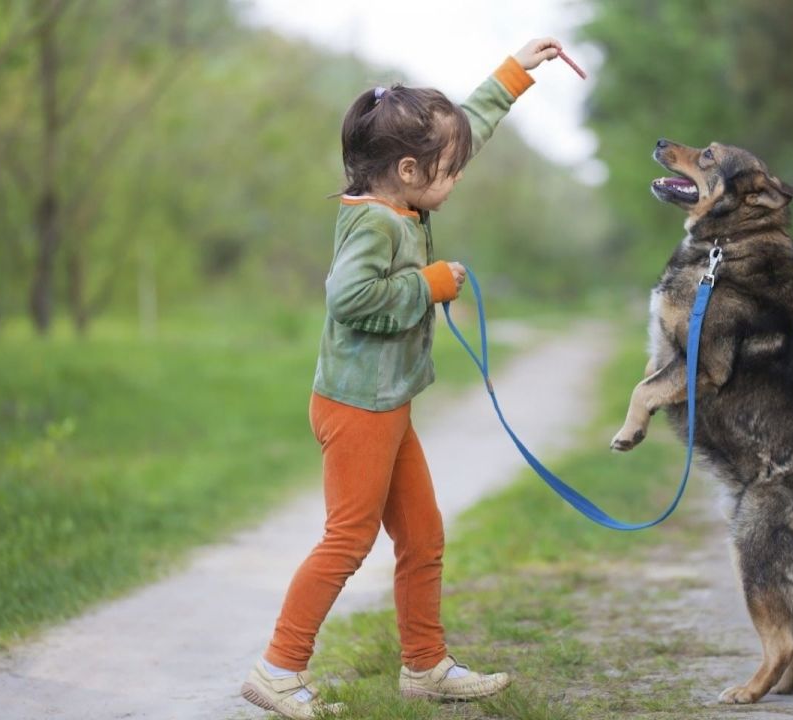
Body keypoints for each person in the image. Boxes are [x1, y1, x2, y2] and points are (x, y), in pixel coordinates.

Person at [241, 38, 565, 719]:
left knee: (423, 536)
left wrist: (513, 74)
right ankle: (277, 669)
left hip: (386, 406)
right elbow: (349, 300)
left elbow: (463, 128)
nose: (458, 176)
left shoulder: (404, 198)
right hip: (357, 409)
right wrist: (428, 283)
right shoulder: (374, 226)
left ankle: (424, 667)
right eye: (449, 171)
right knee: (348, 539)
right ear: (410, 170)